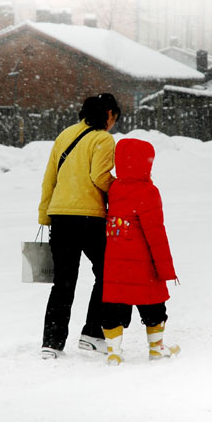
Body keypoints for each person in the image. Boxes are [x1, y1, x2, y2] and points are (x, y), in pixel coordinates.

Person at [38, 93, 121, 360]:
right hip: (90, 217)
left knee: (63, 281)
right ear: (108, 114)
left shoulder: (65, 134)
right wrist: (121, 191)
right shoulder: (103, 139)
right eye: (114, 118)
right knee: (108, 273)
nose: (113, 124)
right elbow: (100, 177)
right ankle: (92, 334)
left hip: (60, 217)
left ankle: (51, 343)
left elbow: (50, 177)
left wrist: (44, 214)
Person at [101, 137, 180, 365]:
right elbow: (156, 234)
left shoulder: (114, 188)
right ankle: (156, 348)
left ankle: (114, 352)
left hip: (115, 262)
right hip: (143, 263)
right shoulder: (148, 191)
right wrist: (166, 270)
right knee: (153, 304)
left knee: (114, 304)